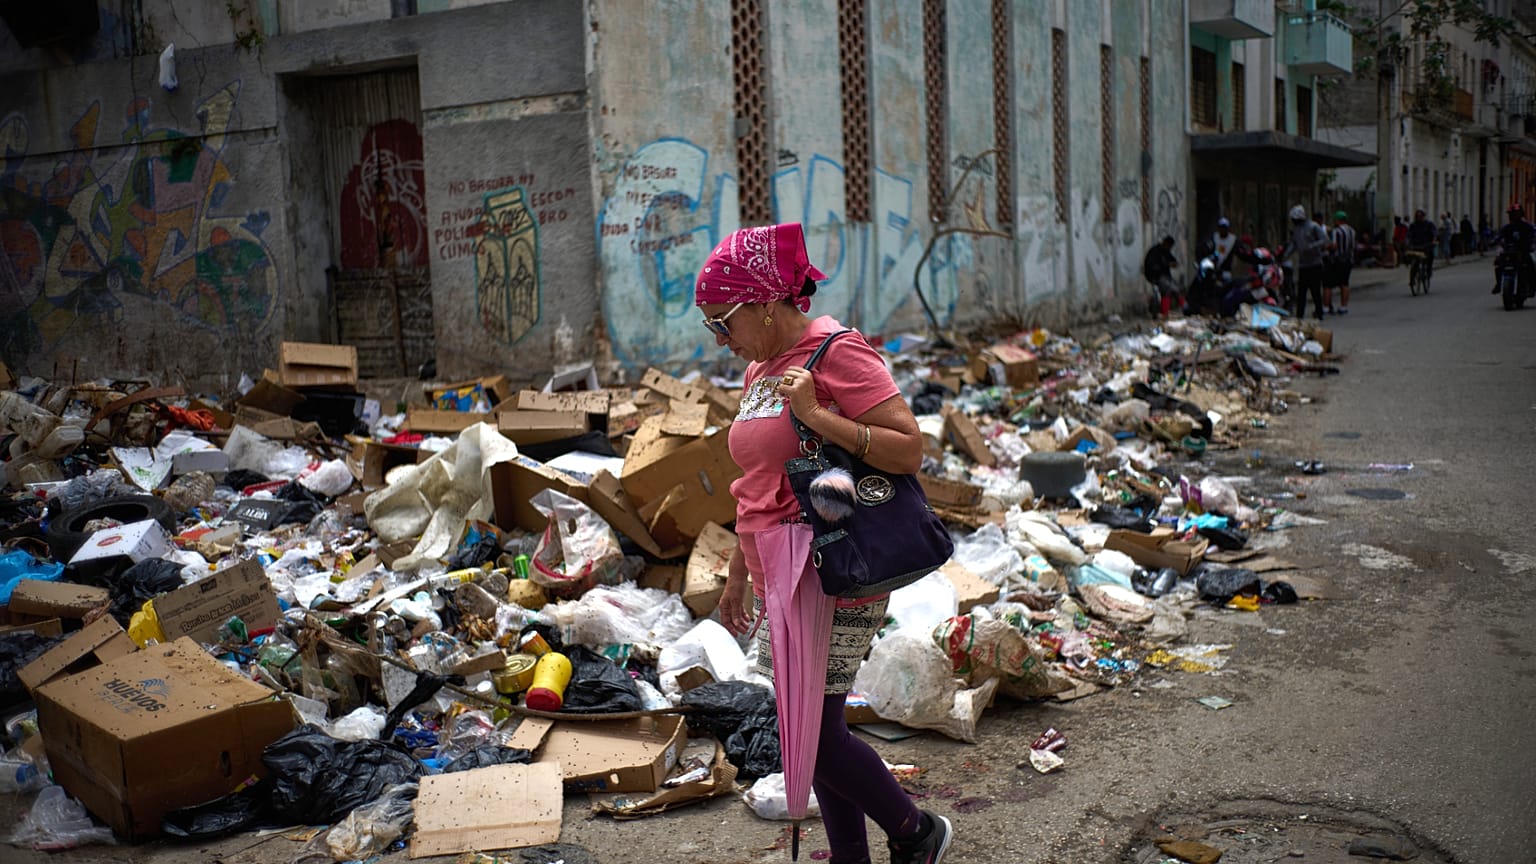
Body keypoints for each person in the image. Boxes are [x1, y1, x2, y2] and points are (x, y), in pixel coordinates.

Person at [701, 223, 953, 864]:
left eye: (723, 322)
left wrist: (817, 416)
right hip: (775, 572)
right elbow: (759, 481)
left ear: (764, 303)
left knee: (809, 735)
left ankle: (915, 831)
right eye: (712, 328)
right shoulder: (761, 367)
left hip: (831, 566)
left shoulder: (837, 353)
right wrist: (738, 570)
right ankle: (854, 857)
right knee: (816, 727)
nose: (721, 341)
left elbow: (909, 449)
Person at [1280, 204, 1328, 320]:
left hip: (1315, 263)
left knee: (1315, 291)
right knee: (1301, 292)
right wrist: (1285, 255)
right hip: (1303, 264)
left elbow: (1324, 240)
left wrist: (1312, 246)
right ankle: (1299, 316)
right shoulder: (1296, 230)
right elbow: (1294, 245)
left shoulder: (1313, 227)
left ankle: (1319, 313)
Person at [1493, 204, 1535, 295]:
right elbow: (1499, 236)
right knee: (1498, 263)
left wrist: (1532, 243)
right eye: (1512, 214)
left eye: (1516, 214)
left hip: (1523, 252)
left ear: (1521, 214)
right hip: (1509, 252)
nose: (1514, 216)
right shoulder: (1507, 227)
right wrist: (1494, 241)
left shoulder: (1527, 226)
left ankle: (1532, 286)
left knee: (1530, 264)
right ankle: (1498, 284)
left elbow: (1533, 235)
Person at [1324, 210, 1355, 315]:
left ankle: (1326, 307)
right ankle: (1343, 306)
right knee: (1344, 283)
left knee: (1328, 284)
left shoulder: (1336, 231)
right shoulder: (1352, 231)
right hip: (1348, 260)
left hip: (1336, 261)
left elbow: (1334, 246)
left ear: (1338, 220)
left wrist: (1326, 247)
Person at [1142, 235, 1180, 316]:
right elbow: (1152, 266)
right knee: (1167, 289)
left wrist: (1173, 263)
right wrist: (1166, 265)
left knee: (1175, 289)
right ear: (1164, 243)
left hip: (1164, 276)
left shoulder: (1166, 252)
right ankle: (1164, 312)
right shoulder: (1155, 251)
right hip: (1155, 276)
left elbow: (1173, 261)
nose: (1169, 248)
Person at [1405, 208, 1437, 282]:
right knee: (1414, 261)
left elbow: (1434, 232)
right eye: (1418, 216)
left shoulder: (1429, 224)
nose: (1419, 217)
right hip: (1416, 246)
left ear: (1423, 216)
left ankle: (1429, 271)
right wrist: (1407, 242)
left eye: (1421, 216)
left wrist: (1434, 240)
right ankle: (1412, 278)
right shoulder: (1413, 225)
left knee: (1430, 257)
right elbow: (1409, 235)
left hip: (1426, 245)